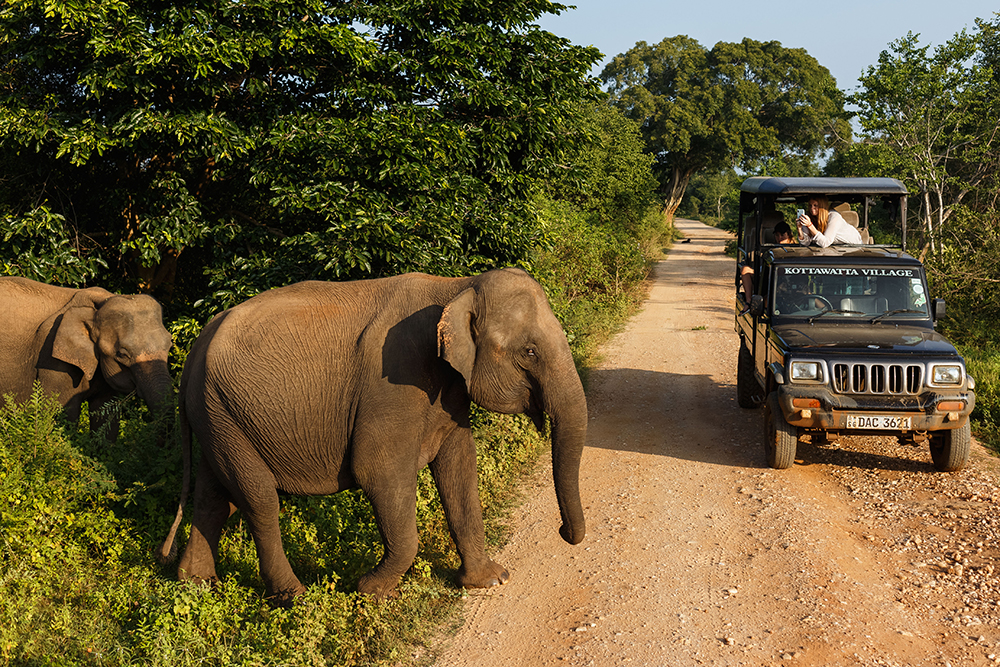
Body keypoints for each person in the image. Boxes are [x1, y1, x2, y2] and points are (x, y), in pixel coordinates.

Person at [739, 220, 794, 312]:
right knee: (745, 269)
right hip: (771, 279)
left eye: (782, 235)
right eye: (777, 235)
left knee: (768, 300)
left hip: (788, 283)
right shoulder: (772, 249)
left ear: (789, 235)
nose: (779, 238)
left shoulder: (796, 249)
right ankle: (749, 302)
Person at [797, 196, 862, 247]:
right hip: (833, 247)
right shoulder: (809, 217)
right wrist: (799, 229)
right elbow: (805, 243)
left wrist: (810, 226)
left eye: (815, 205)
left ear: (822, 206)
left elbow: (825, 242)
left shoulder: (834, 217)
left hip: (853, 247)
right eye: (810, 205)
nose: (812, 208)